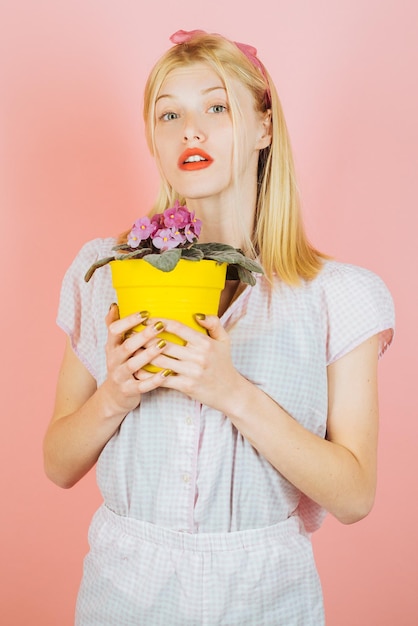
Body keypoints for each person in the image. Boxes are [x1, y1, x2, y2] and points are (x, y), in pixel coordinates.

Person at [43, 29, 395, 625]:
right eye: (169, 114)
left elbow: (355, 495)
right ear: (152, 140)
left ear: (264, 127)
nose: (191, 131)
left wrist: (230, 392)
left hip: (266, 599)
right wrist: (116, 393)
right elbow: (58, 463)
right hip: (124, 593)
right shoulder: (105, 273)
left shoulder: (340, 295)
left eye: (217, 107)